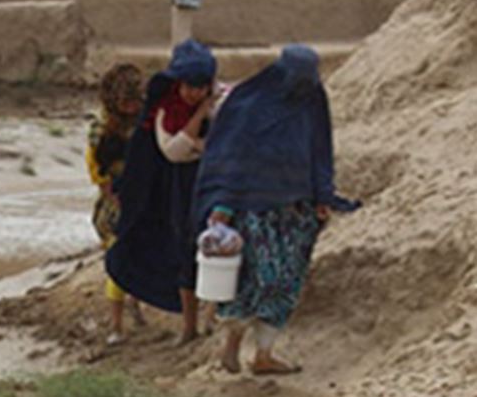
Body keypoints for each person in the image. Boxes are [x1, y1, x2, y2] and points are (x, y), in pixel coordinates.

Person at [194, 45, 358, 375]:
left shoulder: (311, 101)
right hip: (253, 211)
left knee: (286, 283)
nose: (302, 85)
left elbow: (320, 150)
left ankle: (264, 355)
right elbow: (230, 158)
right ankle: (232, 344)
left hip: (296, 213)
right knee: (256, 279)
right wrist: (223, 205)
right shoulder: (248, 106)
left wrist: (322, 196)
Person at [106, 39, 218, 345]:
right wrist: (199, 118)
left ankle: (212, 317)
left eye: (201, 87)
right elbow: (174, 152)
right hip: (176, 194)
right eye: (189, 86)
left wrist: (196, 143)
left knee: (216, 250)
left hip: (213, 189)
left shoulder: (222, 107)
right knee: (184, 254)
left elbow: (222, 146)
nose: (193, 93)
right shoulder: (164, 111)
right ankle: (189, 327)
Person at [86, 63, 147, 344]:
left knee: (140, 257)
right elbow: (97, 171)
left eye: (136, 101)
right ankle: (116, 326)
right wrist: (115, 196)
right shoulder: (100, 130)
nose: (132, 107)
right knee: (118, 262)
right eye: (126, 102)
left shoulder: (145, 123)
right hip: (115, 206)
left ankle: (134, 304)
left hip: (143, 200)